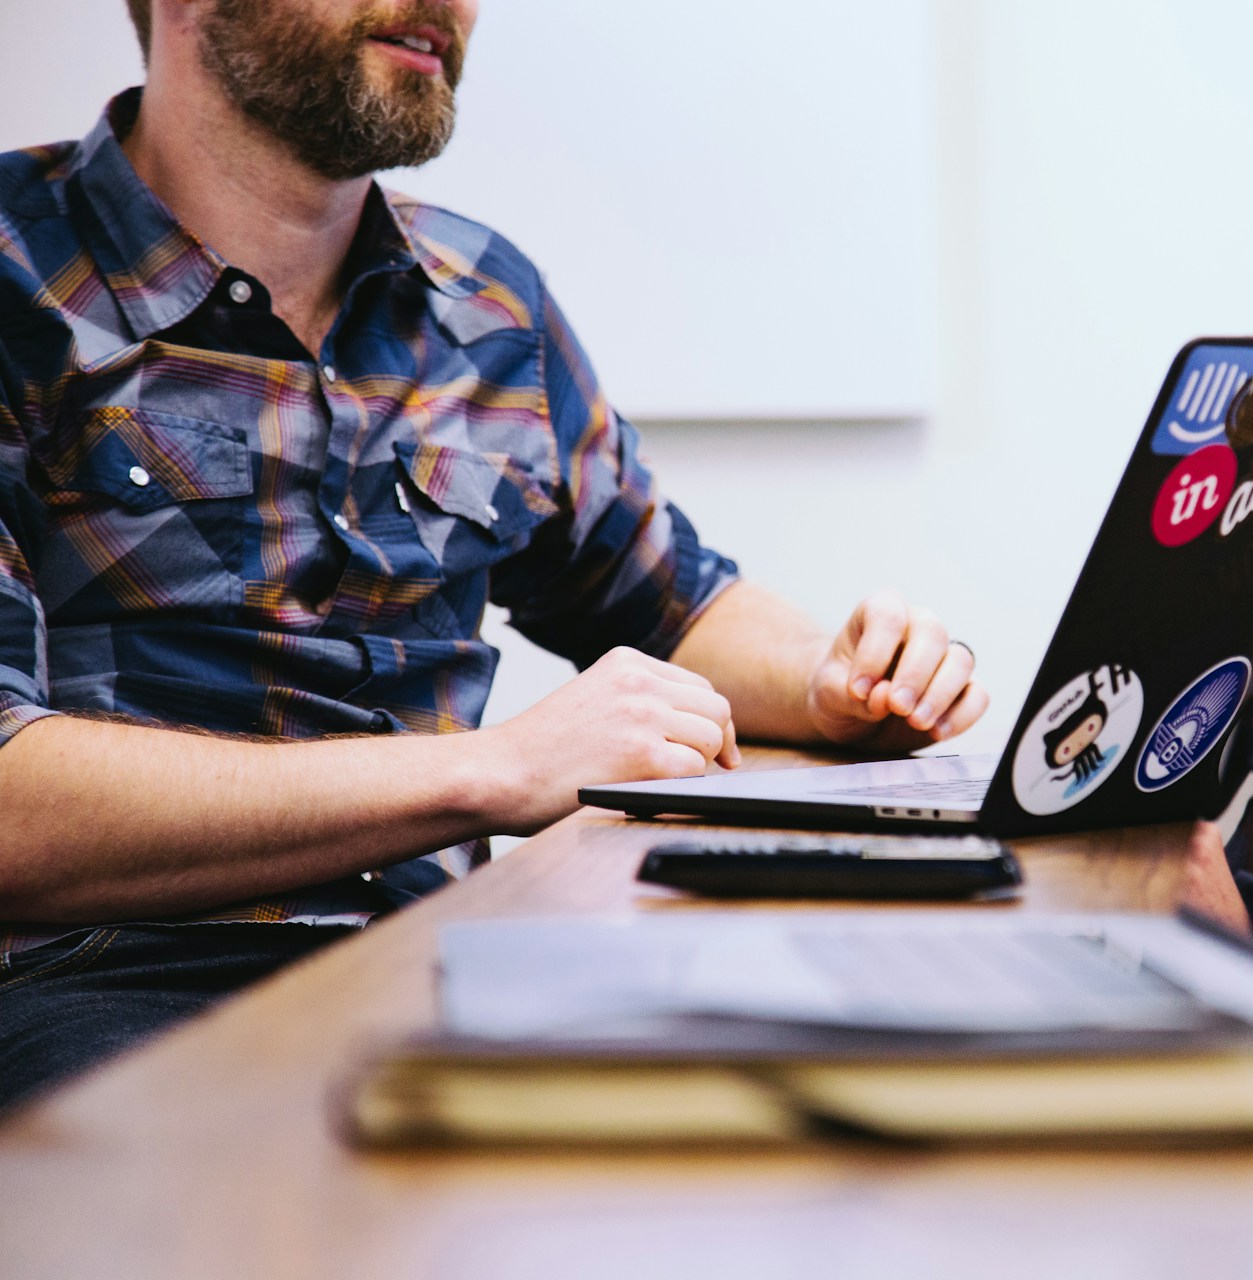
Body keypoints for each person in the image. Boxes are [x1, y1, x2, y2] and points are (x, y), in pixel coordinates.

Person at [0, 0, 986, 1108]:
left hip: (452, 960)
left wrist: (830, 674)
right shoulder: (13, 274)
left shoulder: (487, 303)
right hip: (114, 984)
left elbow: (668, 602)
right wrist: (494, 771)